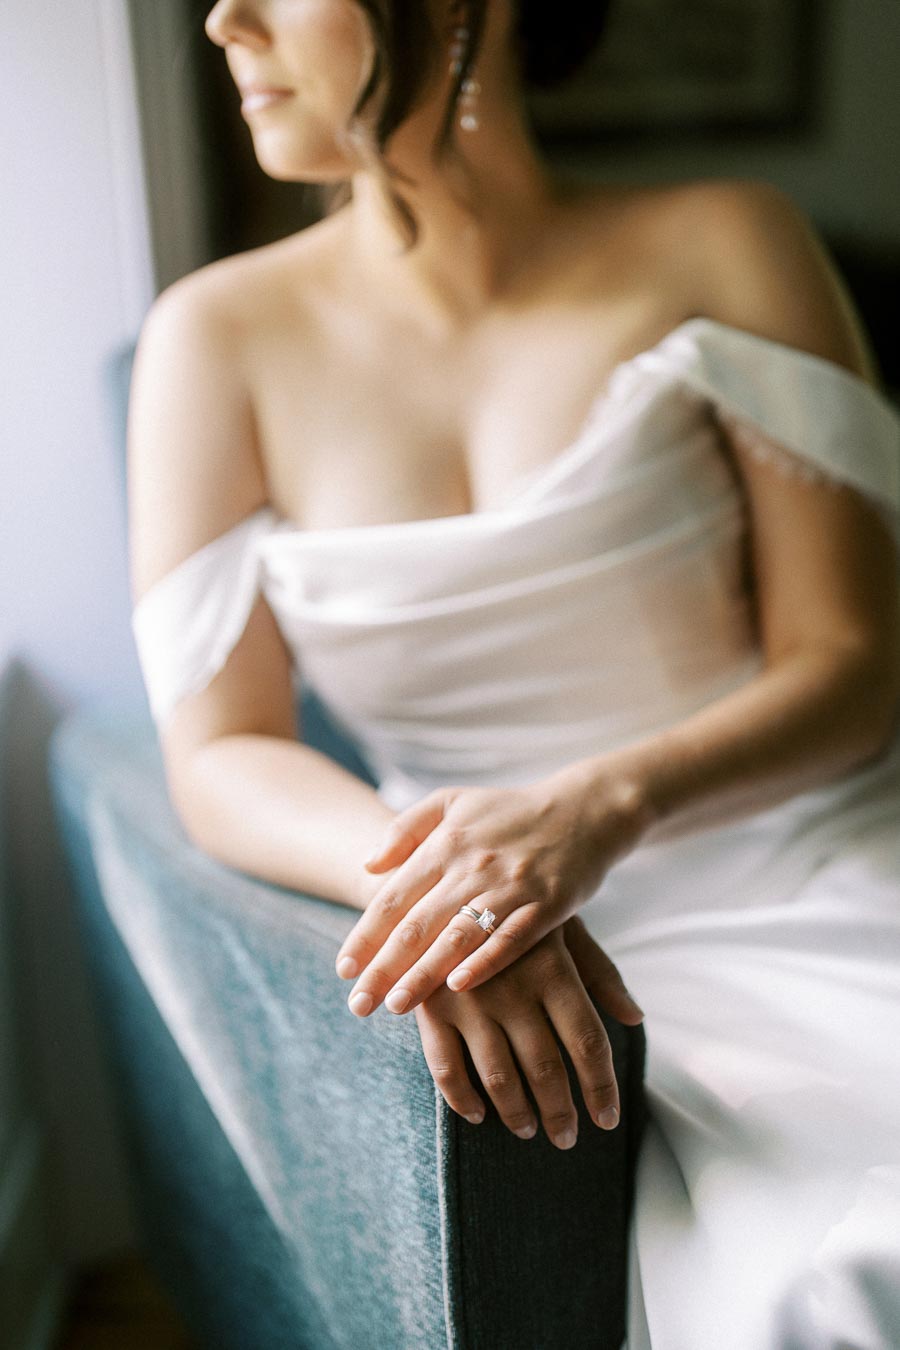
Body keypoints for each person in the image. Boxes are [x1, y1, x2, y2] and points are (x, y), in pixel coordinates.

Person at [127, 0, 900, 1345]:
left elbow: (852, 658)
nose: (224, 19)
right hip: (555, 935)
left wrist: (600, 805)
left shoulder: (729, 241)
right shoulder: (213, 340)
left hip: (817, 856)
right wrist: (440, 894)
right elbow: (219, 752)